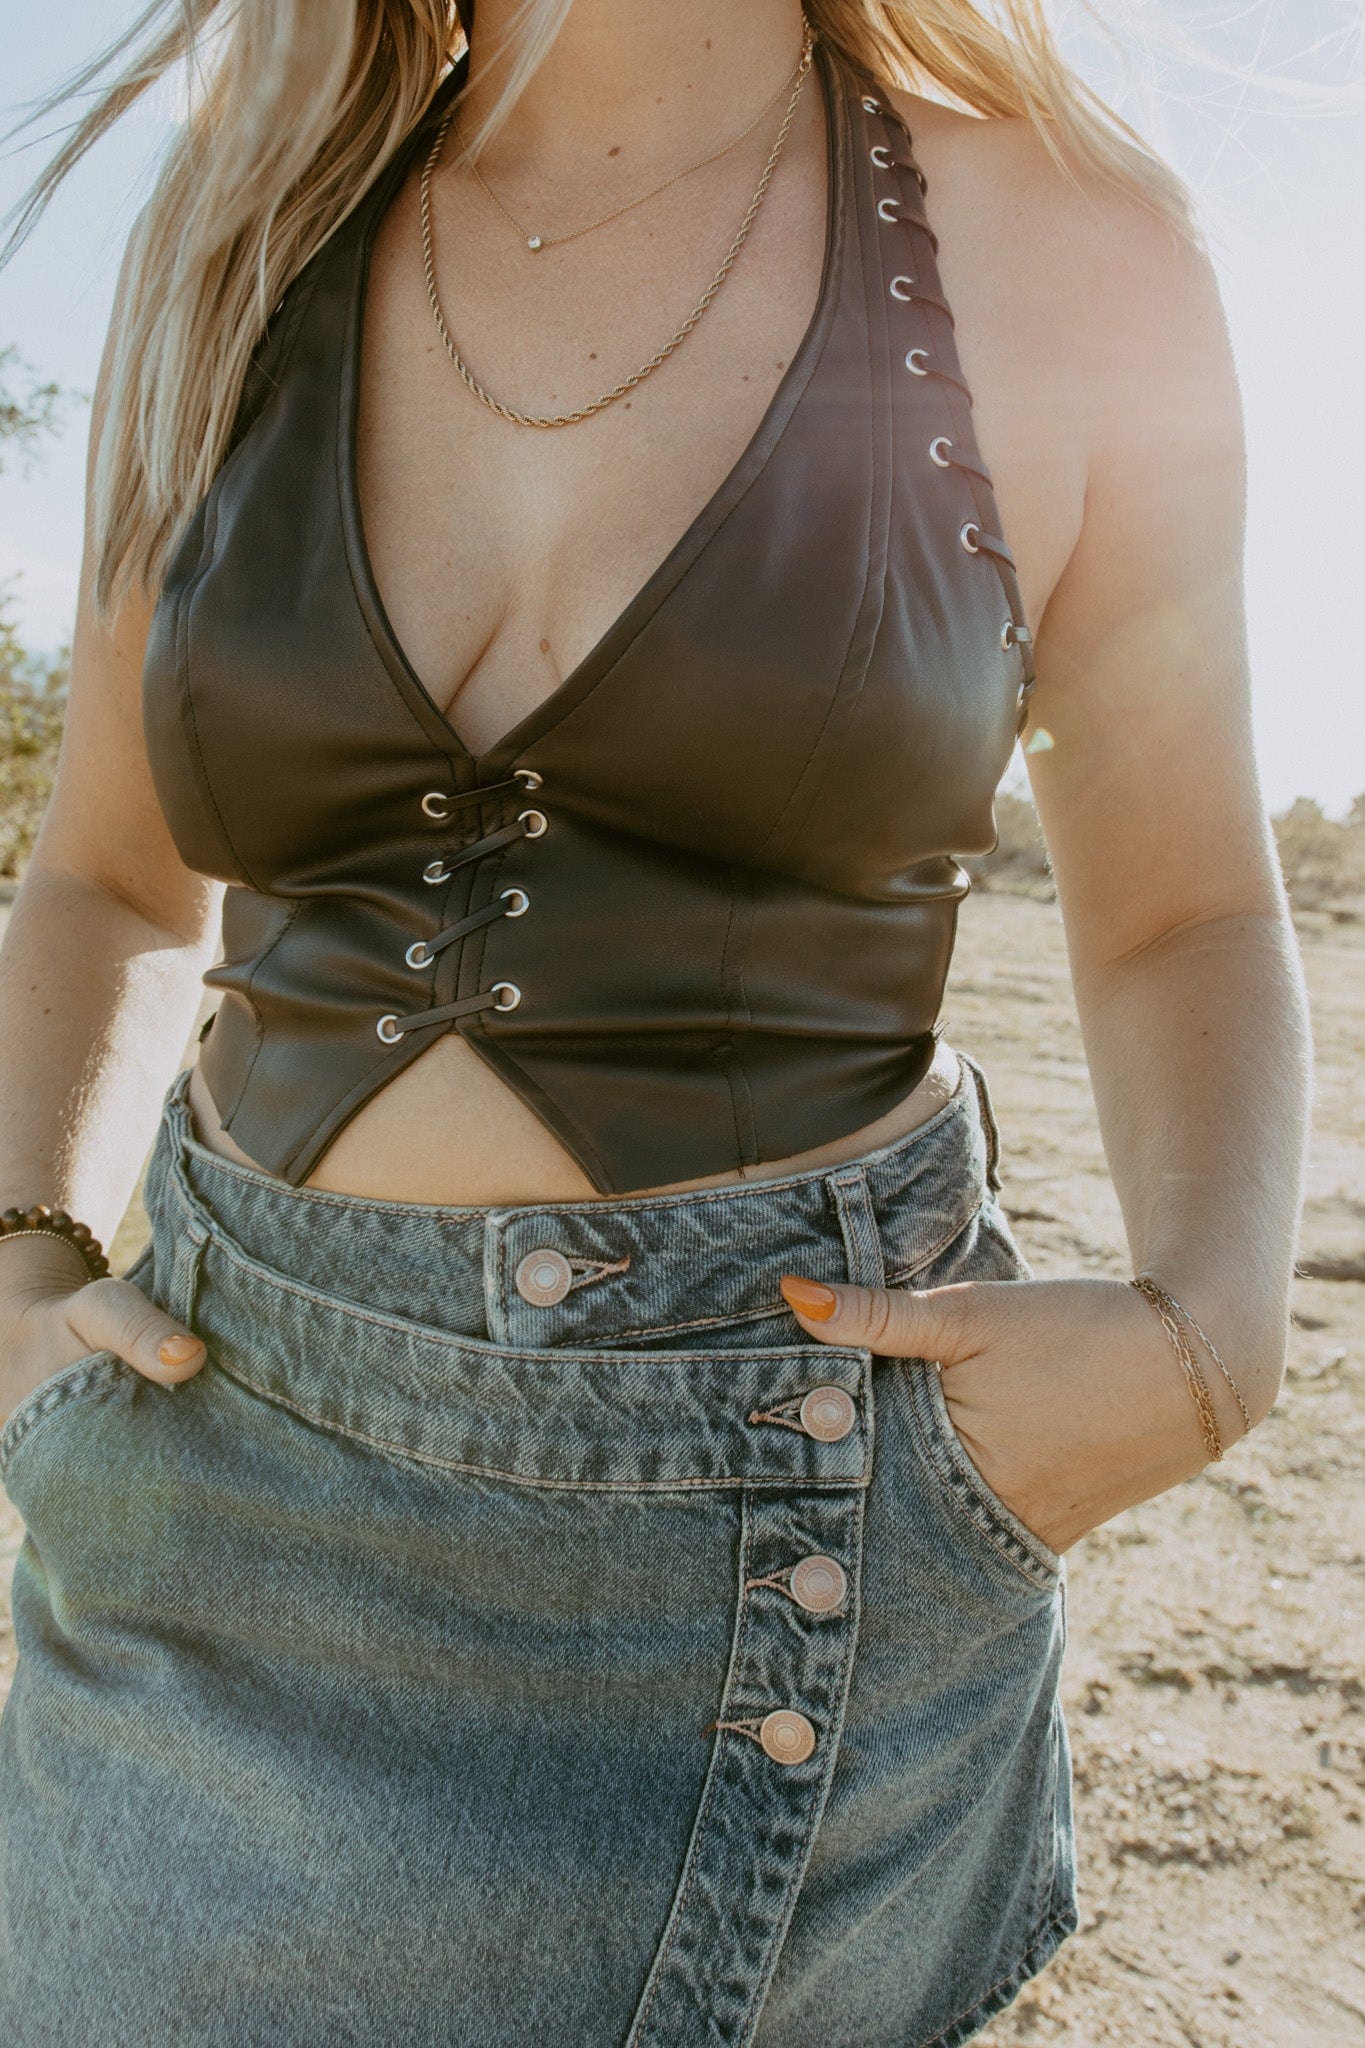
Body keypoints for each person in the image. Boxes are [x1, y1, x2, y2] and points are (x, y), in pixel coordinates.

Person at [0, 2, 1310, 2043]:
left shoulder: (1066, 244)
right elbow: (108, 872)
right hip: (217, 1487)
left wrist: (1210, 1328)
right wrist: (19, 1247)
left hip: (782, 1519)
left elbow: (1184, 909)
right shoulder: (244, 219)